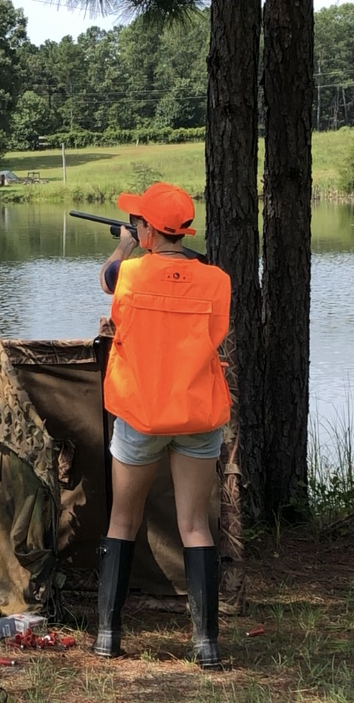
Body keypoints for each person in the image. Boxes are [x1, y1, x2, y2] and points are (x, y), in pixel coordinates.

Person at [94, 181, 231, 670]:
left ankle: (108, 636)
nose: (134, 227)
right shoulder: (217, 281)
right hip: (197, 414)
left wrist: (127, 243)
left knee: (122, 521)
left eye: (138, 222)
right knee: (196, 525)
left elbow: (108, 277)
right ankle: (206, 644)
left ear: (148, 228)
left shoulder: (129, 274)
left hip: (141, 413)